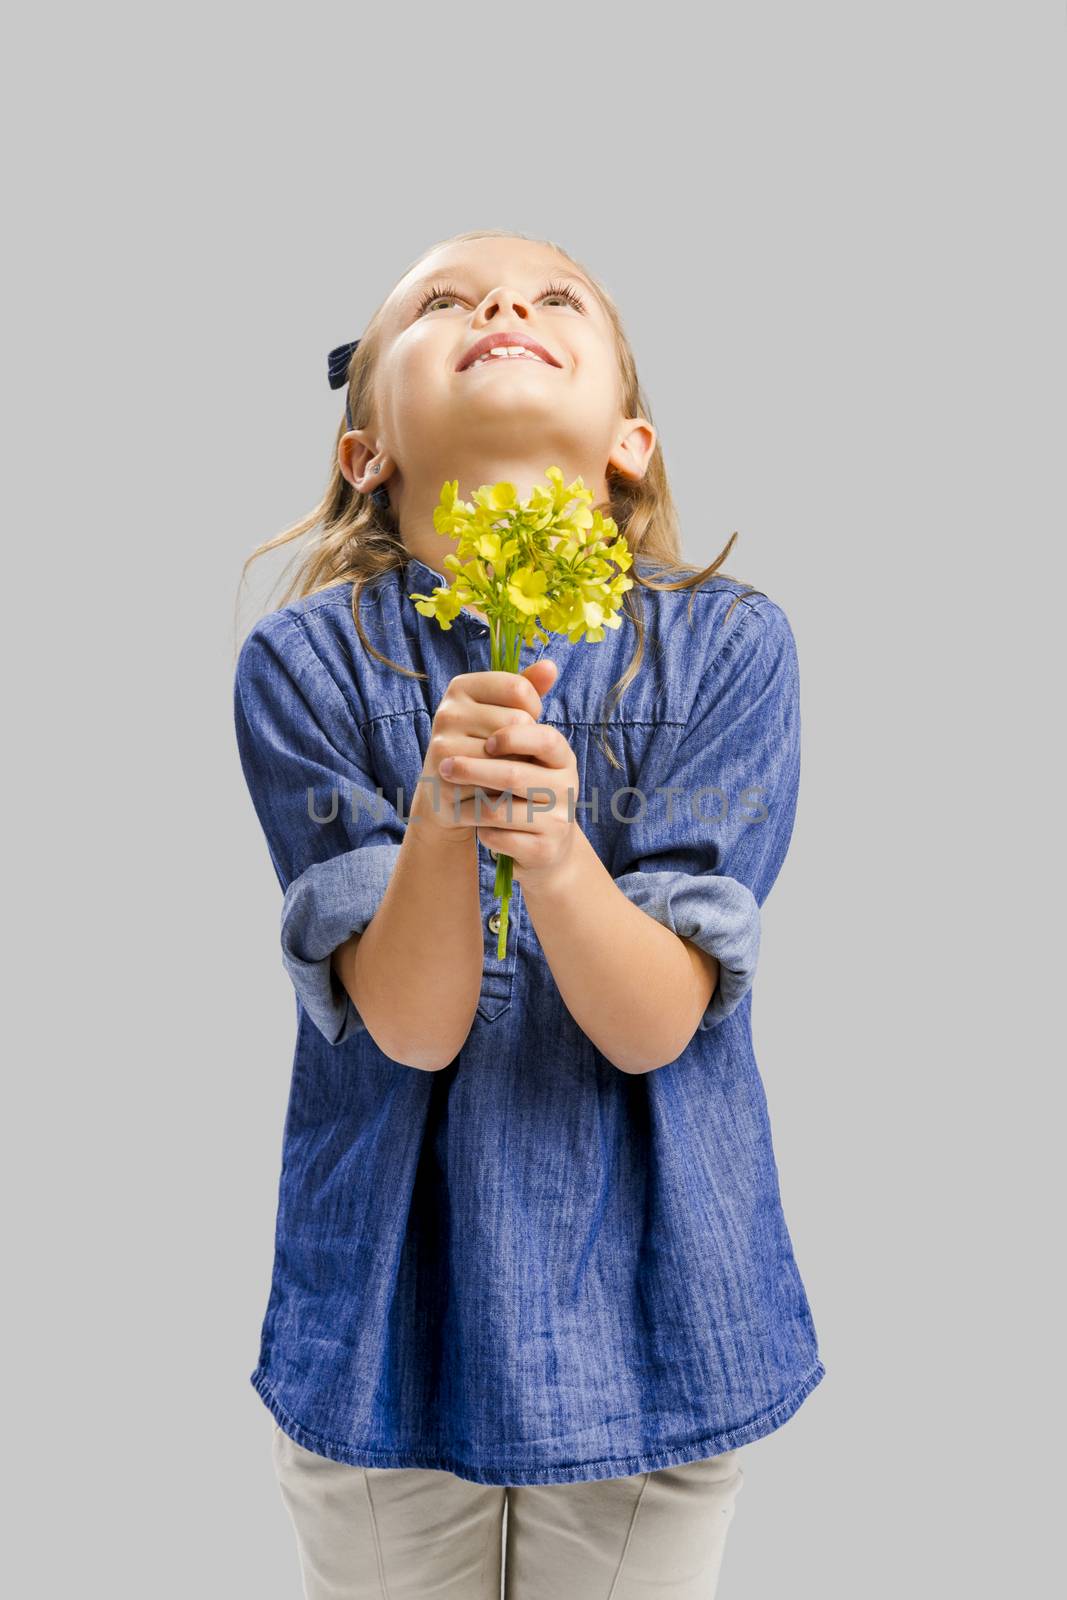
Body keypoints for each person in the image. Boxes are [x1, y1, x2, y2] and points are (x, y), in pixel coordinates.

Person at [233, 228, 826, 1599]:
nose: (503, 302)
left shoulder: (733, 648)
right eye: (442, 303)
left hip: (654, 1325)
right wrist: (447, 816)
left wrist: (554, 858)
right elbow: (409, 1024)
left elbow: (656, 1023)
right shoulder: (306, 666)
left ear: (629, 440)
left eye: (556, 297)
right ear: (365, 451)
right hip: (386, 1321)